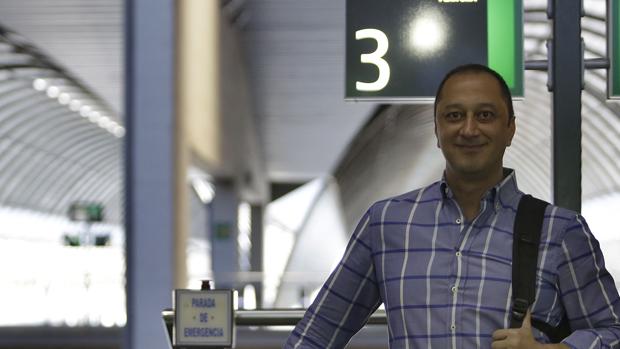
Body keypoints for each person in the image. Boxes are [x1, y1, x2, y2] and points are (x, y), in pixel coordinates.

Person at [284, 64, 620, 348]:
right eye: (454, 115)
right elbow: (316, 334)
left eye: (485, 115)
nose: (469, 129)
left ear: (510, 129)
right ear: (437, 129)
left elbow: (613, 333)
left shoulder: (560, 231)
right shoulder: (387, 224)